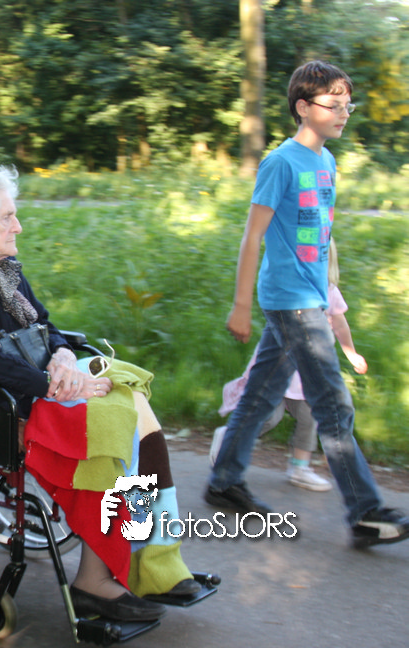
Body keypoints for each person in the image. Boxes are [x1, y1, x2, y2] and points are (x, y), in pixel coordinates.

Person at [0, 167, 200, 623]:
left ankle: (155, 557)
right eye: (7, 217)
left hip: (27, 387)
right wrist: (53, 382)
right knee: (109, 433)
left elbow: (44, 326)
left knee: (137, 409)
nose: (18, 226)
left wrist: (64, 356)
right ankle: (94, 581)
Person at [205, 60, 409, 549]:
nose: (343, 114)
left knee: (261, 395)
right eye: (333, 105)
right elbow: (252, 236)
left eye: (348, 106)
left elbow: (319, 236)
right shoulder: (281, 163)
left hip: (310, 297)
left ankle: (224, 480)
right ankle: (364, 511)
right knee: (333, 403)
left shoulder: (327, 162)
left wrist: (329, 295)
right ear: (303, 107)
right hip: (291, 302)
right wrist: (240, 305)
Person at [211, 239, 367, 492]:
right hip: (279, 368)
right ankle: (229, 437)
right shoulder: (289, 290)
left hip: (306, 373)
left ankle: (300, 467)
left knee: (310, 417)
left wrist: (351, 353)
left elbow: (340, 324)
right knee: (267, 418)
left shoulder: (329, 291)